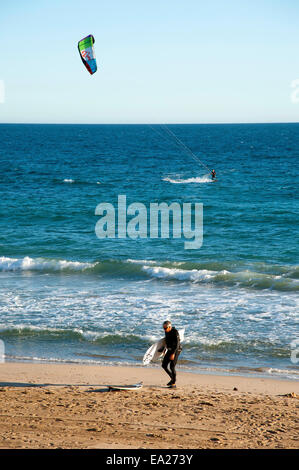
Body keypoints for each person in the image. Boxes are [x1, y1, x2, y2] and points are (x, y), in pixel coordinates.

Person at [159, 320, 182, 388]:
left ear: (170, 327)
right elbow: (167, 340)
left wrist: (173, 354)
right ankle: (173, 379)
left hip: (176, 350)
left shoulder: (175, 332)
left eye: (165, 328)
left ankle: (173, 383)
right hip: (169, 349)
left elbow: (177, 344)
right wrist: (164, 348)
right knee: (164, 365)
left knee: (172, 366)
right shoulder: (167, 331)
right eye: (163, 328)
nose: (164, 330)